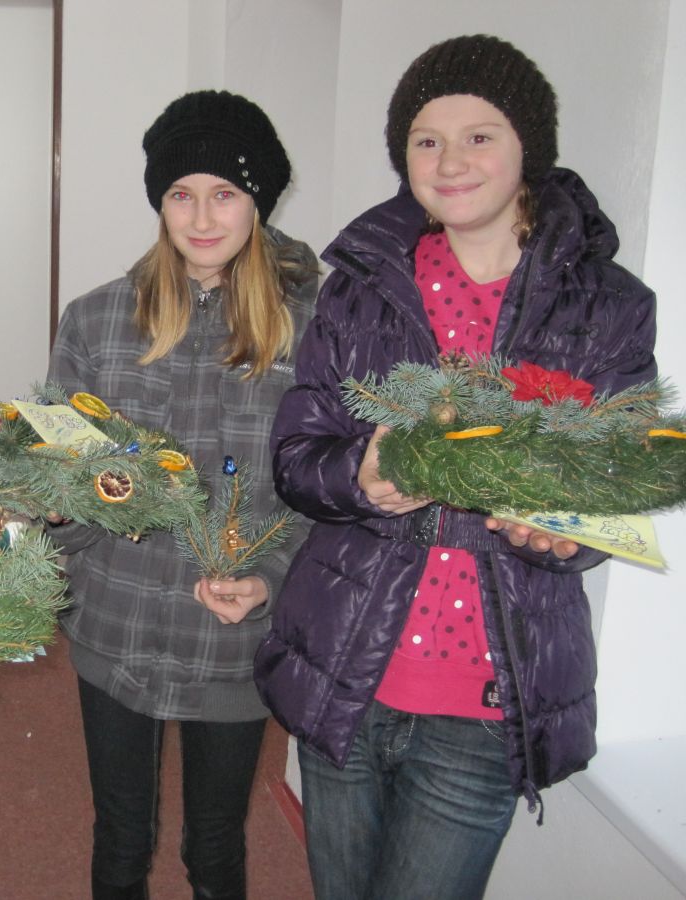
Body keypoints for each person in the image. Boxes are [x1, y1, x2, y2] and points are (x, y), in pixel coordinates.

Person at [254, 34, 657, 900]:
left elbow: (619, 478)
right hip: (346, 669)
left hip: (485, 698)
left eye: (479, 136)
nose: (450, 161)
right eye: (426, 139)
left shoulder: (609, 306)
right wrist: (357, 474)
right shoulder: (361, 285)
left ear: (527, 146)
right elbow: (294, 456)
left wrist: (566, 536)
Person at [47, 90, 317, 900]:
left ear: (258, 201)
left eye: (224, 193)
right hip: (116, 625)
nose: (201, 218)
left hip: (232, 640)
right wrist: (56, 509)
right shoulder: (96, 321)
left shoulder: (311, 327)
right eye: (180, 194)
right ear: (159, 202)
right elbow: (63, 481)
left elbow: (319, 491)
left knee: (216, 849)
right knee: (119, 840)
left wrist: (269, 581)